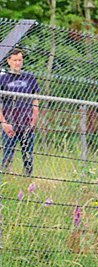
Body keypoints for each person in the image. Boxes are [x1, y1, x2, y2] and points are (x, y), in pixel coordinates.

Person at [0, 48, 39, 176]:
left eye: (20, 60)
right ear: (9, 61)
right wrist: (3, 123)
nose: (18, 63)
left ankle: (27, 179)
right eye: (15, 60)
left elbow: (35, 101)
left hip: (26, 123)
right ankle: (5, 177)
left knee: (28, 155)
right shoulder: (3, 79)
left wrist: (33, 121)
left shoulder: (29, 78)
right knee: (7, 153)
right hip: (10, 123)